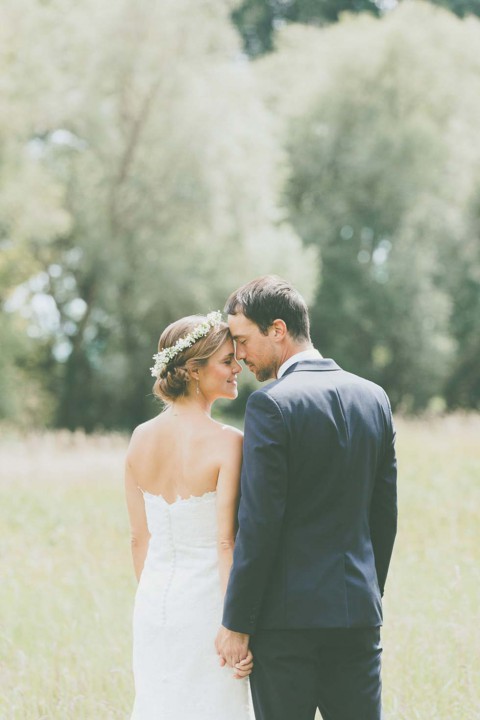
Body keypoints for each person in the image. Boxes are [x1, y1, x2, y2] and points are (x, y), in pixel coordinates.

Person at [216, 276, 398, 720]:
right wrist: (366, 593)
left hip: (285, 625)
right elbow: (384, 516)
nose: (239, 354)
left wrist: (237, 623)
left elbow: (259, 523)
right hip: (358, 617)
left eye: (242, 340)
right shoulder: (374, 398)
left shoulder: (271, 405)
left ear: (277, 329)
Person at [125, 312, 254, 720]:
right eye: (226, 360)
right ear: (194, 370)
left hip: (153, 605)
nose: (238, 368)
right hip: (209, 608)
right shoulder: (229, 443)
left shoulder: (139, 438)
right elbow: (225, 542)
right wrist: (237, 626)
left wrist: (154, 602)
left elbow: (138, 539)